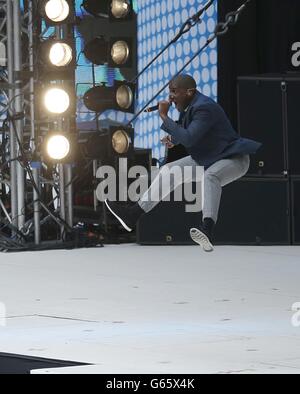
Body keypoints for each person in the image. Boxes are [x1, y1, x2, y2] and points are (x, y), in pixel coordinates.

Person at [105, 74, 261, 252]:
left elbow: (189, 138)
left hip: (234, 159)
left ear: (189, 92)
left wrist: (164, 116)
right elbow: (190, 132)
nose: (170, 97)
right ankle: (133, 214)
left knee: (211, 177)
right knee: (169, 171)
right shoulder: (192, 107)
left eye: (174, 92)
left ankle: (207, 230)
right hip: (209, 157)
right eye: (169, 92)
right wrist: (174, 139)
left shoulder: (204, 107)